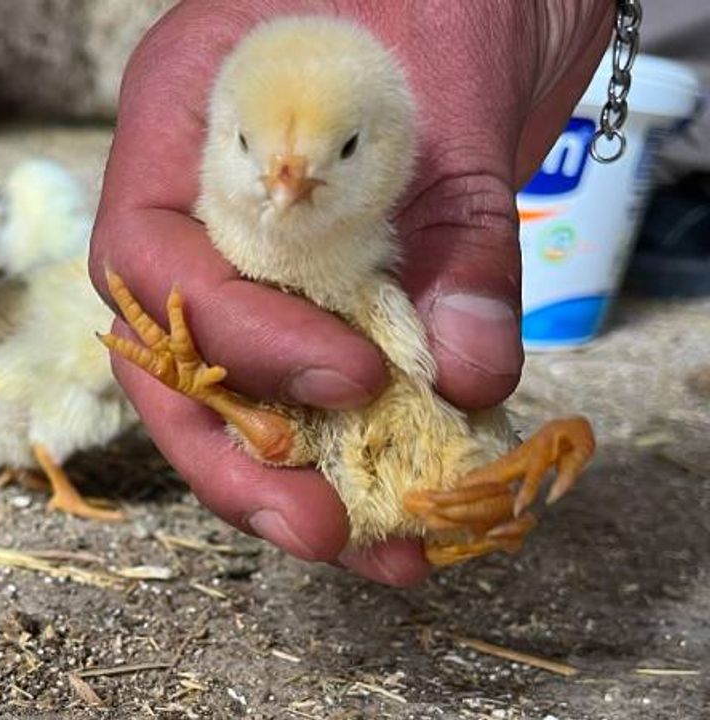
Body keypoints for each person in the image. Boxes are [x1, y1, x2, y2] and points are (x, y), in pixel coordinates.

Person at [88, 0, 618, 586]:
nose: (284, 190)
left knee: (332, 410)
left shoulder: (393, 279)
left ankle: (491, 489)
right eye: (245, 144)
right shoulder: (243, 250)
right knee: (284, 426)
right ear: (222, 134)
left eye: (343, 149)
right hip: (357, 481)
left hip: (406, 462)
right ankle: (479, 498)